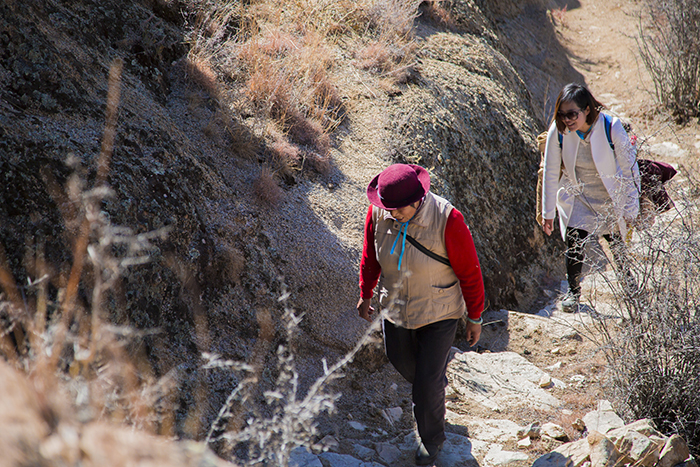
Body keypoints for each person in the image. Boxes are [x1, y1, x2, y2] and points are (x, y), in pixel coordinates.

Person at [356, 163, 485, 466]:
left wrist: (475, 316)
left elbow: (470, 272)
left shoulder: (447, 219)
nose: (392, 214)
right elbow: (370, 256)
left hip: (440, 310)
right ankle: (434, 389)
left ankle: (432, 438)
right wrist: (365, 292)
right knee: (402, 360)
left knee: (426, 383)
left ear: (417, 200)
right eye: (387, 208)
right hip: (396, 307)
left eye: (398, 209)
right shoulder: (379, 213)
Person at [542, 83, 640, 311]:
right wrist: (548, 212)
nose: (566, 119)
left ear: (587, 109)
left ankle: (630, 288)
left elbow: (630, 170)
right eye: (562, 114)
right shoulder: (559, 131)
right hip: (580, 196)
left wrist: (630, 208)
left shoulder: (611, 126)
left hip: (609, 197)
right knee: (574, 241)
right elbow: (550, 170)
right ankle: (573, 292)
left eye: (572, 114)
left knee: (616, 245)